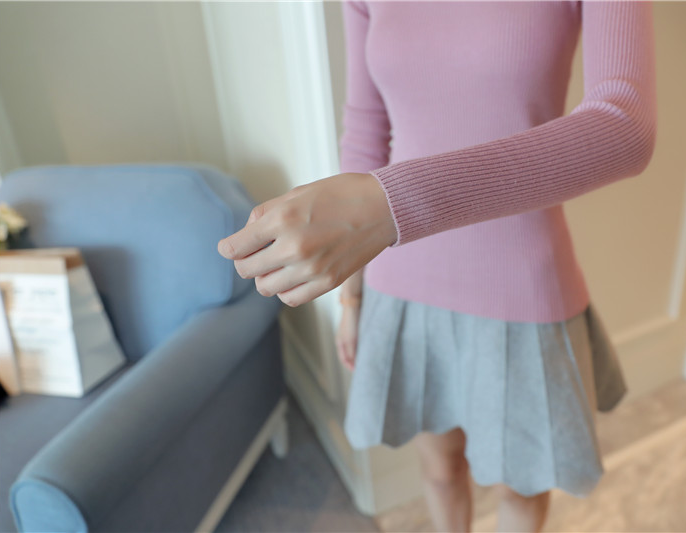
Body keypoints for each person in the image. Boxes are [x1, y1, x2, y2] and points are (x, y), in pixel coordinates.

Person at [218, 1, 656, 531]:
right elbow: (366, 132)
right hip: (403, 283)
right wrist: (353, 297)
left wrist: (393, 204)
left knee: (520, 485)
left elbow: (624, 126)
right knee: (441, 469)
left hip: (520, 286)